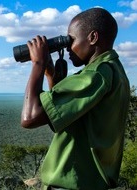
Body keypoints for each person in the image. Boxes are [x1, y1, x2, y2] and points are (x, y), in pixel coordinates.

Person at [21, 7, 130, 190]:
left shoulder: (96, 75)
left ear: (93, 37)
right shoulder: (112, 70)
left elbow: (29, 118)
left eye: (71, 40)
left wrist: (38, 64)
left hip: (74, 184)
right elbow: (62, 114)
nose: (68, 47)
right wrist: (50, 75)